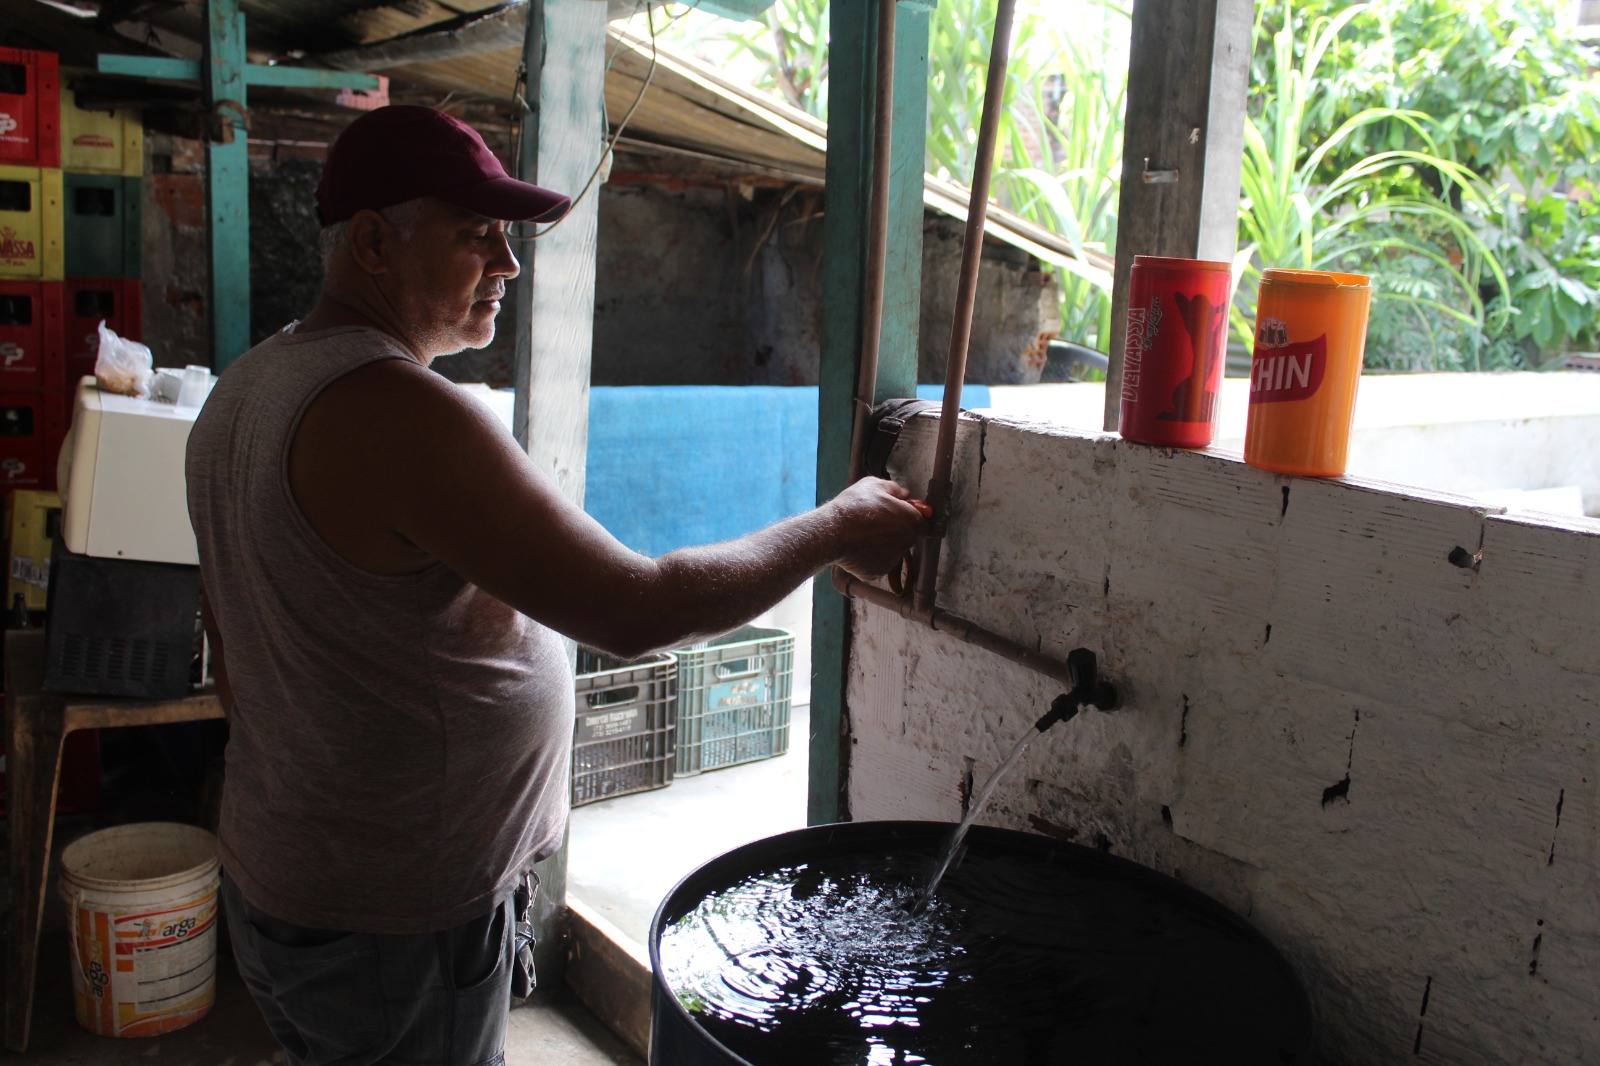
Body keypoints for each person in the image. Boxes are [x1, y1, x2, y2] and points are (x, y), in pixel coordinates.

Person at [184, 104, 925, 1065]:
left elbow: (232, 658)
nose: (510, 264)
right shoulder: (396, 410)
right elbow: (634, 605)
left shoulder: (244, 389)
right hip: (391, 919)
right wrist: (837, 527)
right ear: (372, 242)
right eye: (477, 234)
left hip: (284, 875)